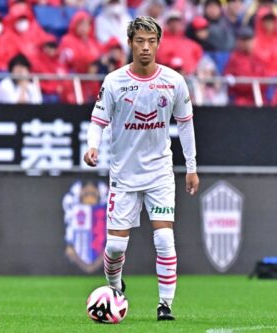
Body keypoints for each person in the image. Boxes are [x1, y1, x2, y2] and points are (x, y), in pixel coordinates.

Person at [83, 16, 199, 321]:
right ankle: (114, 289)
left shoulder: (173, 82)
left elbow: (185, 126)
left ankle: (165, 305)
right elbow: (98, 121)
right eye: (139, 41)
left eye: (151, 41)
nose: (145, 47)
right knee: (116, 247)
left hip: (160, 173)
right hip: (123, 174)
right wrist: (92, 145)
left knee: (163, 239)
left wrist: (191, 166)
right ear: (130, 44)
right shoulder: (114, 81)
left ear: (158, 44)